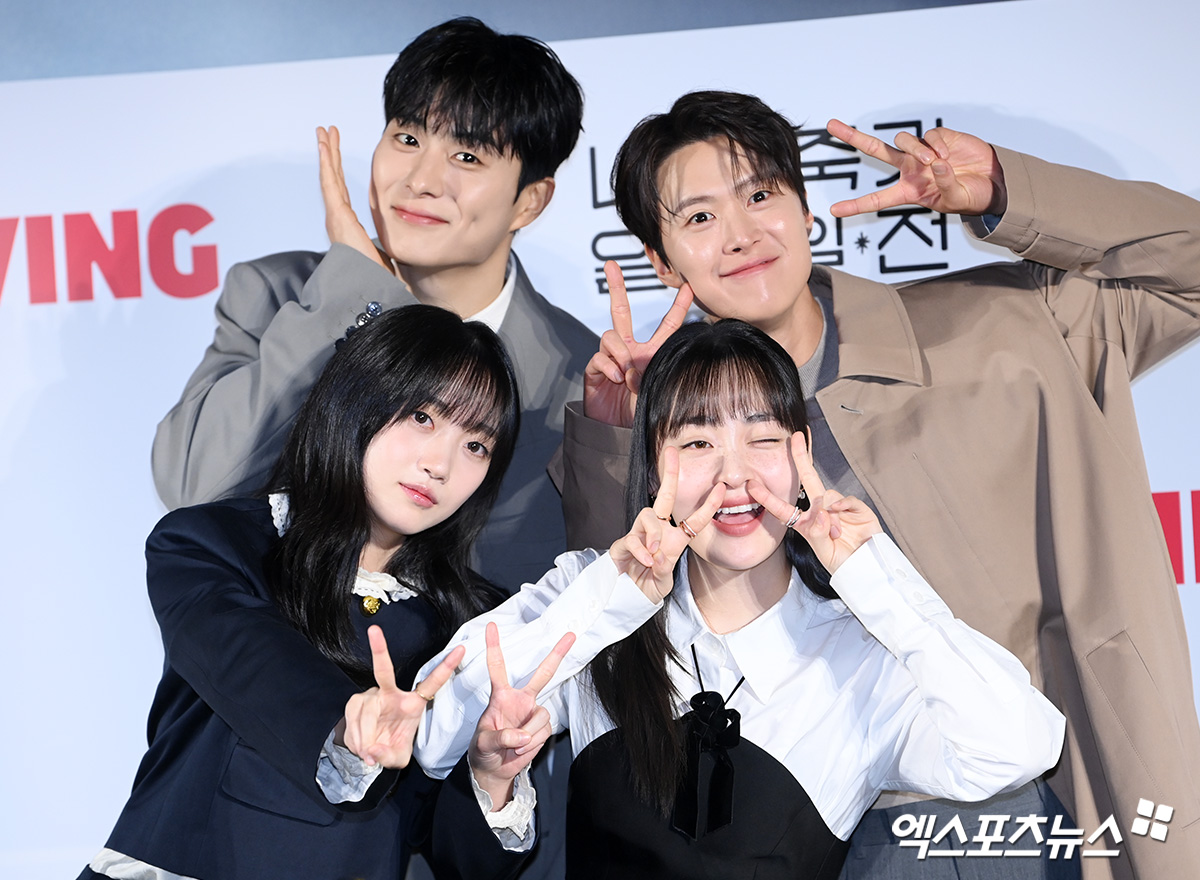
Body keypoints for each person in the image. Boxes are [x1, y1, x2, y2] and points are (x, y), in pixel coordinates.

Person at [555, 91, 1200, 879]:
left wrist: (1008, 189)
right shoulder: (669, 435)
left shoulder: (1010, 326)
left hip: (1054, 803)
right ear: (663, 263)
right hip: (830, 837)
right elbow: (611, 658)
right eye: (699, 217)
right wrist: (617, 438)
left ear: (804, 207)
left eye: (760, 194)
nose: (741, 234)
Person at [401, 319, 1064, 880]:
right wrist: (614, 599)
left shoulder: (859, 656)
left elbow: (1018, 747)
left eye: (763, 438)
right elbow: (433, 730)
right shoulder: (595, 595)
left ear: (802, 454)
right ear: (653, 465)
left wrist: (874, 578)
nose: (734, 475)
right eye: (697, 443)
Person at [81, 306, 568, 880]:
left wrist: (491, 775)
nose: (440, 464)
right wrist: (348, 721)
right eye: (422, 416)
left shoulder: (472, 624)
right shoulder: (210, 545)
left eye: (476, 446)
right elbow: (249, 662)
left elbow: (462, 862)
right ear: (358, 398)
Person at [151, 16, 596, 592]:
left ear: (529, 202)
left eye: (467, 157)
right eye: (408, 139)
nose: (422, 180)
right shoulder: (277, 293)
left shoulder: (582, 374)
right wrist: (351, 295)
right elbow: (194, 486)